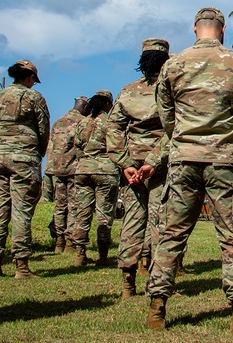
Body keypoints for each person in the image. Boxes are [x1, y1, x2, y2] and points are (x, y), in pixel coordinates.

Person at [139, 7, 233, 332]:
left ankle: (156, 309)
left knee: (171, 234)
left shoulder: (173, 66)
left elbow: (165, 115)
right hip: (225, 160)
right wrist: (227, 142)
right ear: (222, 29)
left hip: (183, 159)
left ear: (195, 28)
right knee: (232, 237)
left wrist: (181, 141)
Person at [108, 38, 170, 298]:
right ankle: (157, 284)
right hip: (160, 168)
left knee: (132, 222)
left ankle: (127, 283)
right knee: (161, 223)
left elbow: (112, 128)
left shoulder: (127, 91)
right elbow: (175, 129)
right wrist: (153, 162)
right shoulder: (170, 90)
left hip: (133, 168)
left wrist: (125, 163)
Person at [0, 60, 50, 280]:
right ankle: (21, 266)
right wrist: (38, 153)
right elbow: (43, 128)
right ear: (29, 77)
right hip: (24, 157)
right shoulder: (34, 97)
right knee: (21, 210)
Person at [72, 90, 118, 268]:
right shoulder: (109, 121)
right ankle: (103, 256)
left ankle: (79, 255)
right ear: (107, 104)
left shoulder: (82, 122)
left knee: (82, 213)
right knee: (104, 215)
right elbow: (116, 146)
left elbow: (76, 147)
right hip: (105, 171)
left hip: (83, 170)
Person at [46, 96, 87, 253]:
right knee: (73, 206)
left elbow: (50, 146)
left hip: (57, 168)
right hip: (73, 169)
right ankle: (70, 242)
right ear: (84, 107)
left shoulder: (58, 122)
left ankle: (59, 241)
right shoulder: (81, 123)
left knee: (60, 206)